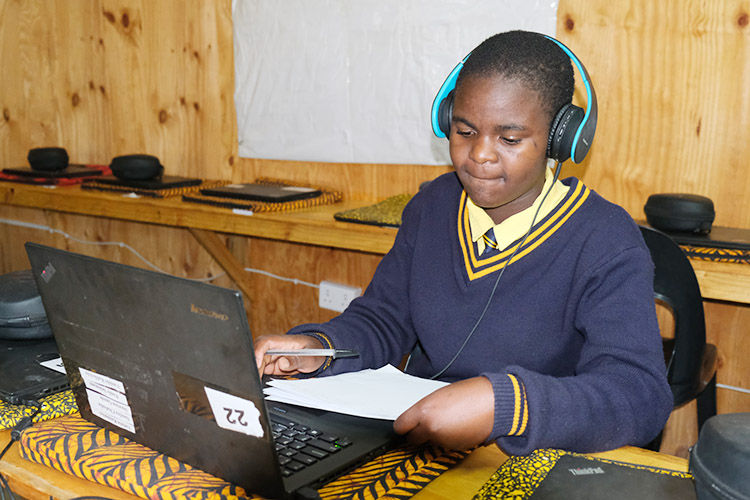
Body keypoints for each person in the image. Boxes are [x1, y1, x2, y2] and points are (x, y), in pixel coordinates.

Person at [254, 30, 673, 455]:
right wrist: (319, 349)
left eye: (509, 139)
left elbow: (638, 395)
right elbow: (384, 319)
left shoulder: (605, 239)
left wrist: (507, 405)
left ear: (559, 138)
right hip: (418, 443)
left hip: (537, 455)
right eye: (465, 131)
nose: (480, 155)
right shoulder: (433, 206)